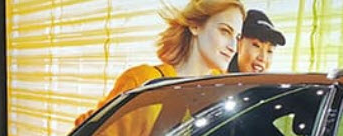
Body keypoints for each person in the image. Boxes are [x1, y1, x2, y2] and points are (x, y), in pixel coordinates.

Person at [73, 0, 245, 129]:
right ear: (195, 26)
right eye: (225, 31)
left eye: (237, 37)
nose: (233, 47)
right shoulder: (142, 81)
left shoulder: (223, 91)